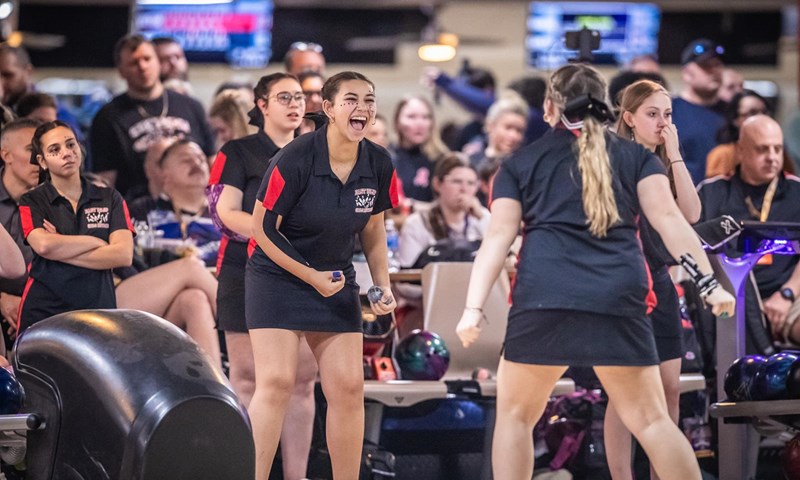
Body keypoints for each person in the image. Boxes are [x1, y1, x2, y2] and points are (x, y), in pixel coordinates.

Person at [455, 63, 734, 480]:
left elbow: (496, 241)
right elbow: (672, 222)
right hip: (619, 296)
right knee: (655, 421)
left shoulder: (519, 163)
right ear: (604, 105)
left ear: (549, 107)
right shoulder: (637, 157)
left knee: (515, 418)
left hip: (544, 297)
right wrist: (708, 283)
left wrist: (473, 308)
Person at [246, 71, 397, 479]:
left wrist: (380, 283)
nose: (362, 108)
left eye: (369, 99)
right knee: (277, 383)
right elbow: (262, 230)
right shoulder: (294, 158)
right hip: (277, 273)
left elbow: (373, 228)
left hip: (334, 276)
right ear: (329, 109)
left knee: (349, 388)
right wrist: (309, 276)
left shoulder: (379, 162)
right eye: (350, 100)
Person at [207, 72, 315, 480]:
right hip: (246, 269)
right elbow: (223, 214)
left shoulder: (313, 152)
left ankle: (297, 475)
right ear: (262, 106)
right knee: (249, 377)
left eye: (300, 97)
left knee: (302, 381)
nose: (294, 104)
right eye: (283, 97)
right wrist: (274, 230)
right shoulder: (238, 152)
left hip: (304, 272)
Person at [607, 79, 701, 480]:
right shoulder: (612, 162)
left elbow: (692, 214)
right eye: (652, 114)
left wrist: (675, 153)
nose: (662, 123)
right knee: (624, 395)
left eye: (668, 115)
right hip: (622, 285)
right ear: (628, 118)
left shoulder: (663, 164)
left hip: (659, 281)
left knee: (669, 391)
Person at [17, 121, 135, 332]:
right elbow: (44, 246)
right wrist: (96, 242)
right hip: (44, 311)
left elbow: (123, 255)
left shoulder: (109, 197)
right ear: (42, 162)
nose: (66, 153)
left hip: (98, 311)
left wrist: (60, 247)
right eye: (55, 149)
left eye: (71, 145)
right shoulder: (31, 200)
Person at [699, 115, 800, 347]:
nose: (773, 158)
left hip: (788, 295)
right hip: (727, 298)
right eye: (762, 149)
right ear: (741, 150)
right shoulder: (712, 193)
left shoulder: (796, 191)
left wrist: (787, 295)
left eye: (777, 149)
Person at [90, 34, 215, 199]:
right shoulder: (108, 117)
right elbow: (106, 180)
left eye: (147, 59)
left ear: (158, 62)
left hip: (195, 207)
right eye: (134, 63)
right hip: (139, 210)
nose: (142, 67)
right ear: (121, 71)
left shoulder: (191, 106)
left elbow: (212, 161)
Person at [395, 153, 489, 335]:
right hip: (425, 309)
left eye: (471, 183)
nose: (464, 189)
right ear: (438, 184)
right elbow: (404, 284)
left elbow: (503, 259)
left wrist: (482, 217)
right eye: (456, 182)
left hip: (475, 307)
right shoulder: (417, 223)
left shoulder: (483, 219)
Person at [129, 139, 220, 268]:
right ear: (165, 174)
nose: (197, 163)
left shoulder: (224, 210)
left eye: (201, 158)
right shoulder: (143, 211)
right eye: (186, 160)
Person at [0, 118, 40, 346]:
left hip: (42, 310)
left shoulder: (56, 202)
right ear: (6, 155)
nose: (39, 159)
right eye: (30, 150)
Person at [672, 38, 727, 184]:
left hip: (728, 201)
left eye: (718, 64)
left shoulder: (733, 111)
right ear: (686, 73)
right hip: (685, 200)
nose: (714, 71)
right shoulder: (670, 111)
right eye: (706, 66)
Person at [705, 90, 795, 178]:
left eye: (764, 112)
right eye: (752, 113)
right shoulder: (723, 155)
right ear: (735, 120)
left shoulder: (778, 151)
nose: (760, 117)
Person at [468, 92, 529, 206]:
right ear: (491, 125)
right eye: (508, 127)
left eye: (519, 130)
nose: (513, 136)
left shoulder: (525, 169)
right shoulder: (469, 162)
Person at [392, 95, 449, 204]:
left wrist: (412, 206)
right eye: (411, 117)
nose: (419, 124)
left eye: (425, 117)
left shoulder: (442, 160)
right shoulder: (385, 158)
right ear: (397, 122)